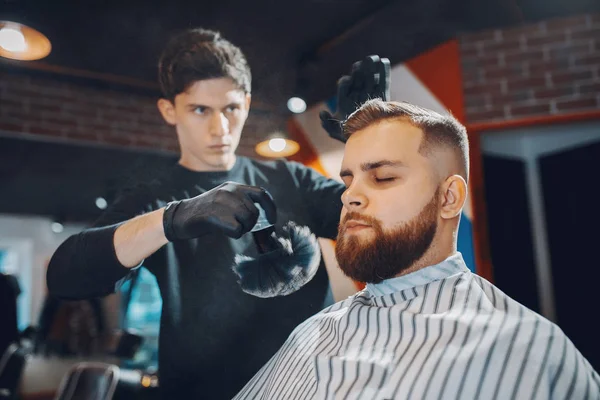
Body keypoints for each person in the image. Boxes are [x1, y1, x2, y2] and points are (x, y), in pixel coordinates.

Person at [46, 28, 379, 398]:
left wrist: (372, 139)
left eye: (231, 109)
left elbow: (385, 230)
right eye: (200, 109)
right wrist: (172, 219)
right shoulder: (154, 198)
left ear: (247, 104)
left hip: (309, 387)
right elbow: (66, 276)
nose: (220, 128)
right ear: (169, 110)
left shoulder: (291, 179)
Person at [234, 99, 600, 400]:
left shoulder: (525, 349)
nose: (349, 196)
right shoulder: (311, 334)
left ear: (449, 197)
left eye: (383, 177)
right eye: (348, 180)